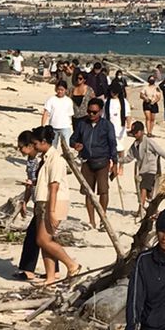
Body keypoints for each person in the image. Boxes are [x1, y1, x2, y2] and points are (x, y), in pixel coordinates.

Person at [31, 126, 79, 284]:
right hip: (44, 202)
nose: (34, 146)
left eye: (35, 143)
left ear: (44, 142)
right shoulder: (45, 158)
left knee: (43, 240)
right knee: (45, 241)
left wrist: (51, 211)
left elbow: (54, 186)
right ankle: (50, 276)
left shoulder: (56, 159)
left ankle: (72, 264)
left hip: (55, 202)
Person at [71, 97, 118, 230]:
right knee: (88, 192)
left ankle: (103, 218)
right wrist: (76, 144)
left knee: (103, 191)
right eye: (89, 112)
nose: (91, 114)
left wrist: (115, 163)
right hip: (87, 161)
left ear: (101, 112)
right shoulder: (82, 124)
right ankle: (92, 221)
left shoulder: (107, 125)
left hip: (103, 162)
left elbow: (112, 144)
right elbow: (72, 139)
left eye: (94, 112)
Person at [14, 130, 50, 282]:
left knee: (37, 237)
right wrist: (25, 201)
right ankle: (51, 271)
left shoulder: (41, 160)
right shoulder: (30, 160)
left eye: (21, 146)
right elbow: (29, 183)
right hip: (37, 201)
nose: (20, 150)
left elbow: (42, 181)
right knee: (41, 237)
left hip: (44, 201)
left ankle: (30, 270)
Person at [128, 121, 165, 218]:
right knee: (149, 193)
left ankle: (140, 209)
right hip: (142, 170)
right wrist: (117, 160)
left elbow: (160, 151)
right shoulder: (134, 145)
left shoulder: (148, 142)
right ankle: (154, 211)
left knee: (143, 188)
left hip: (151, 169)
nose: (134, 134)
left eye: (136, 132)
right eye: (133, 132)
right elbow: (129, 157)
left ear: (141, 131)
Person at [41, 81, 75, 148]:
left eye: (62, 90)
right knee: (52, 147)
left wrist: (72, 127)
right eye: (58, 89)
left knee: (66, 146)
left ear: (65, 90)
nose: (60, 91)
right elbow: (46, 112)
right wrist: (42, 126)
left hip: (65, 127)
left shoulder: (69, 101)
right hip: (53, 127)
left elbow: (70, 115)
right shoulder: (51, 99)